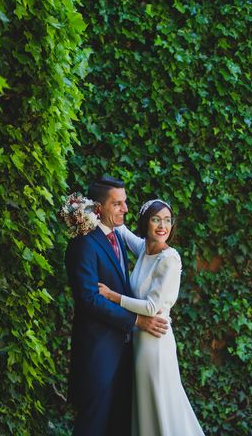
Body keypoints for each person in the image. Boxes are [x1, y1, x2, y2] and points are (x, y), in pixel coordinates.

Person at [65, 176, 169, 436]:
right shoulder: (83, 245)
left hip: (125, 353)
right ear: (99, 208)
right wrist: (136, 321)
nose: (125, 209)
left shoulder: (118, 238)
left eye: (125, 203)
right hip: (97, 354)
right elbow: (89, 299)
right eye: (118, 204)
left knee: (118, 427)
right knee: (92, 427)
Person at [98, 198, 205, 436]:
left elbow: (152, 306)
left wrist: (112, 296)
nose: (162, 226)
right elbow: (122, 231)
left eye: (167, 221)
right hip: (139, 340)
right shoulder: (146, 249)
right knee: (145, 405)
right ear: (146, 223)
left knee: (161, 402)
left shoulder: (170, 259)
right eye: (156, 219)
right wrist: (94, 210)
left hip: (155, 343)